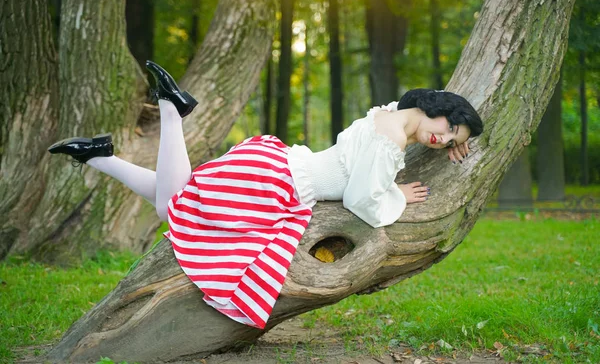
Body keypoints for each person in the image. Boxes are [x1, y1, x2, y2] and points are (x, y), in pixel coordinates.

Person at [48, 61, 483, 329]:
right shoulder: (389, 141)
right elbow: (362, 202)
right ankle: (170, 109)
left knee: (176, 199)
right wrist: (399, 197)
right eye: (448, 128)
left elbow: (382, 154)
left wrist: (461, 133)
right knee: (174, 204)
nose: (443, 141)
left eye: (450, 141)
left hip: (278, 171)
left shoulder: (388, 115)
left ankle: (98, 156)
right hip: (278, 184)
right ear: (439, 109)